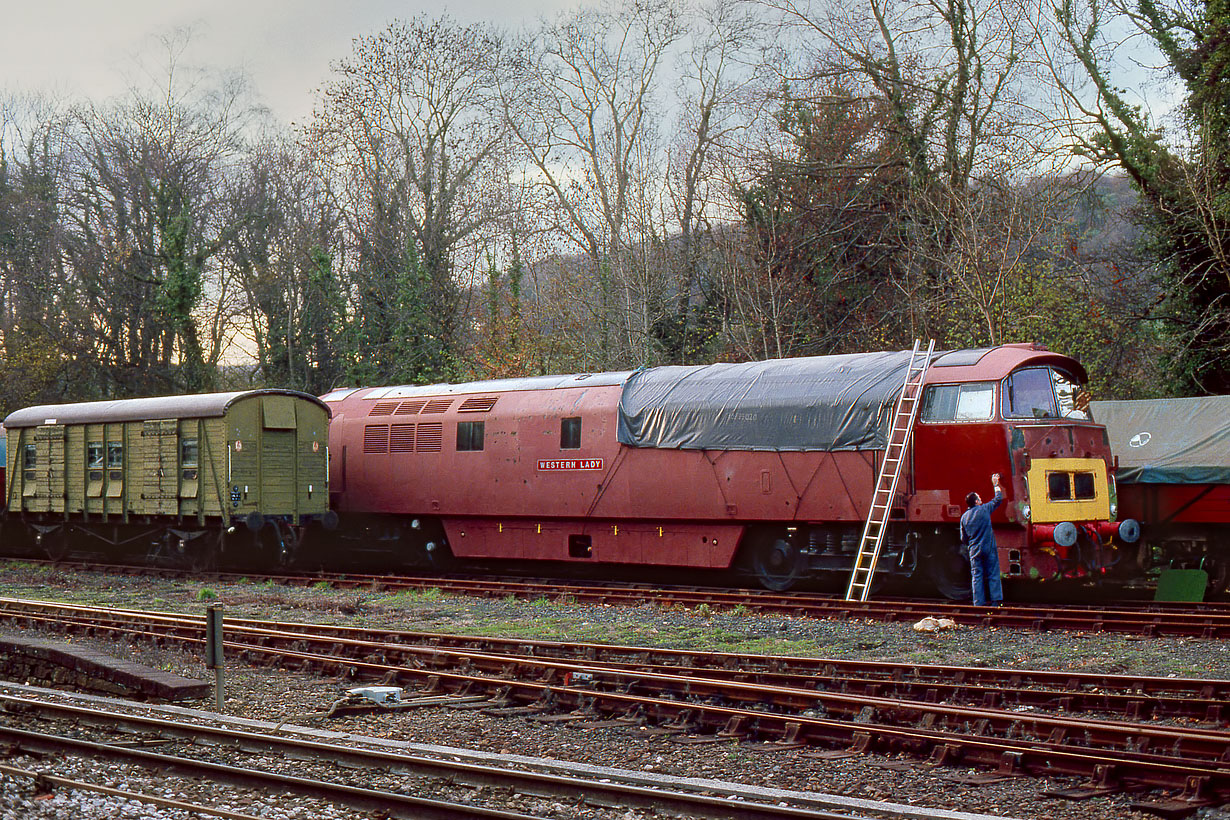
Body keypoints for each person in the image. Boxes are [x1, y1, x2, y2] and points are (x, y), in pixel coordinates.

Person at [960, 473, 1005, 606]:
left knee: (977, 576)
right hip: (988, 547)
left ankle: (978, 603)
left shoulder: (964, 517)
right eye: (979, 498)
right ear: (976, 501)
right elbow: (998, 499)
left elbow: (963, 538)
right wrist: (996, 484)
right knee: (993, 573)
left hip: (974, 549)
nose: (981, 499)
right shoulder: (984, 509)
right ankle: (996, 602)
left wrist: (972, 543)